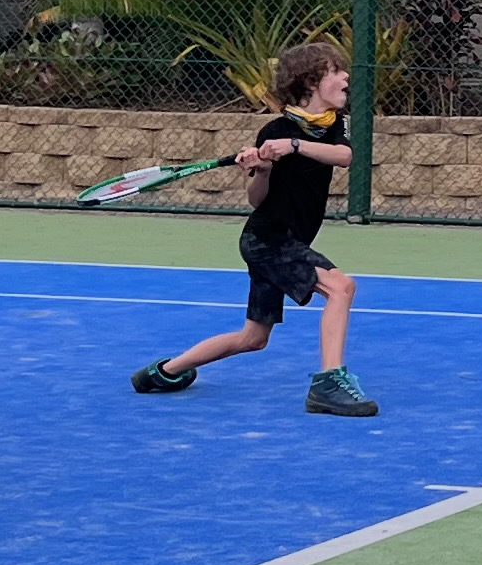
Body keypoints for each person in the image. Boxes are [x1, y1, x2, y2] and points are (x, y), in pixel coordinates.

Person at [129, 41, 379, 416]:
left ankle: (163, 373)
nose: (346, 77)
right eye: (336, 71)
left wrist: (293, 146)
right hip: (268, 239)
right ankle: (328, 384)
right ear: (312, 81)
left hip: (287, 239)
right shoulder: (274, 130)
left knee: (253, 337)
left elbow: (344, 156)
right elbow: (257, 199)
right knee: (341, 287)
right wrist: (261, 169)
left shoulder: (329, 126)